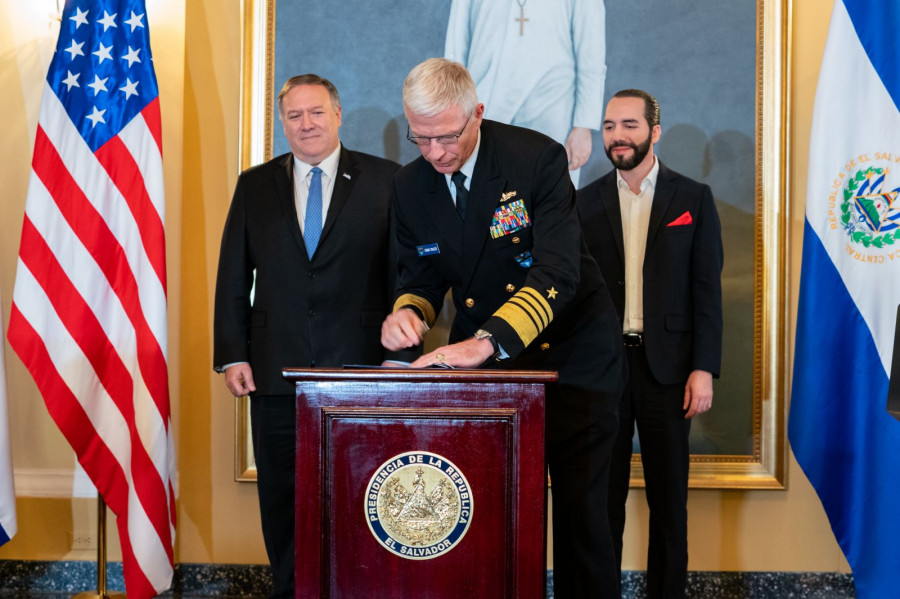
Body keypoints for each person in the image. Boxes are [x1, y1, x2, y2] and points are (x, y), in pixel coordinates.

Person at [381, 58, 627, 598]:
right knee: (487, 513)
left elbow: (558, 272)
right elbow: (420, 273)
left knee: (584, 520)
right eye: (419, 138)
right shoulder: (411, 184)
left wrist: (485, 342)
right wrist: (410, 314)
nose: (435, 153)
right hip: (493, 375)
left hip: (573, 359)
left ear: (478, 115)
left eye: (446, 136)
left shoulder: (534, 159)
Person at [213, 74, 412, 599]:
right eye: (295, 115)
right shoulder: (254, 185)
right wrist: (232, 354)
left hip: (364, 369)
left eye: (316, 112)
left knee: (359, 494)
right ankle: (289, 591)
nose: (306, 124)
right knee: (282, 498)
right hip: (276, 370)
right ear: (283, 123)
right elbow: (233, 274)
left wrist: (403, 356)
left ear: (338, 114)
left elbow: (406, 275)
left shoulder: (386, 179)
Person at [577, 89, 723, 599]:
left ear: (654, 132)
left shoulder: (693, 199)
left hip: (670, 374)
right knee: (603, 502)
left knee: (668, 503)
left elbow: (706, 291)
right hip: (603, 375)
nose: (618, 136)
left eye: (630, 125)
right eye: (610, 126)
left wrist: (703, 368)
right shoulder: (583, 202)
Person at [444, 0, 606, 188]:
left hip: (554, 111)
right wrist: (452, 115)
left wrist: (583, 125)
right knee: (490, 205)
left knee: (550, 203)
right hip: (484, 108)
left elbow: (591, 51)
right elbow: (455, 48)